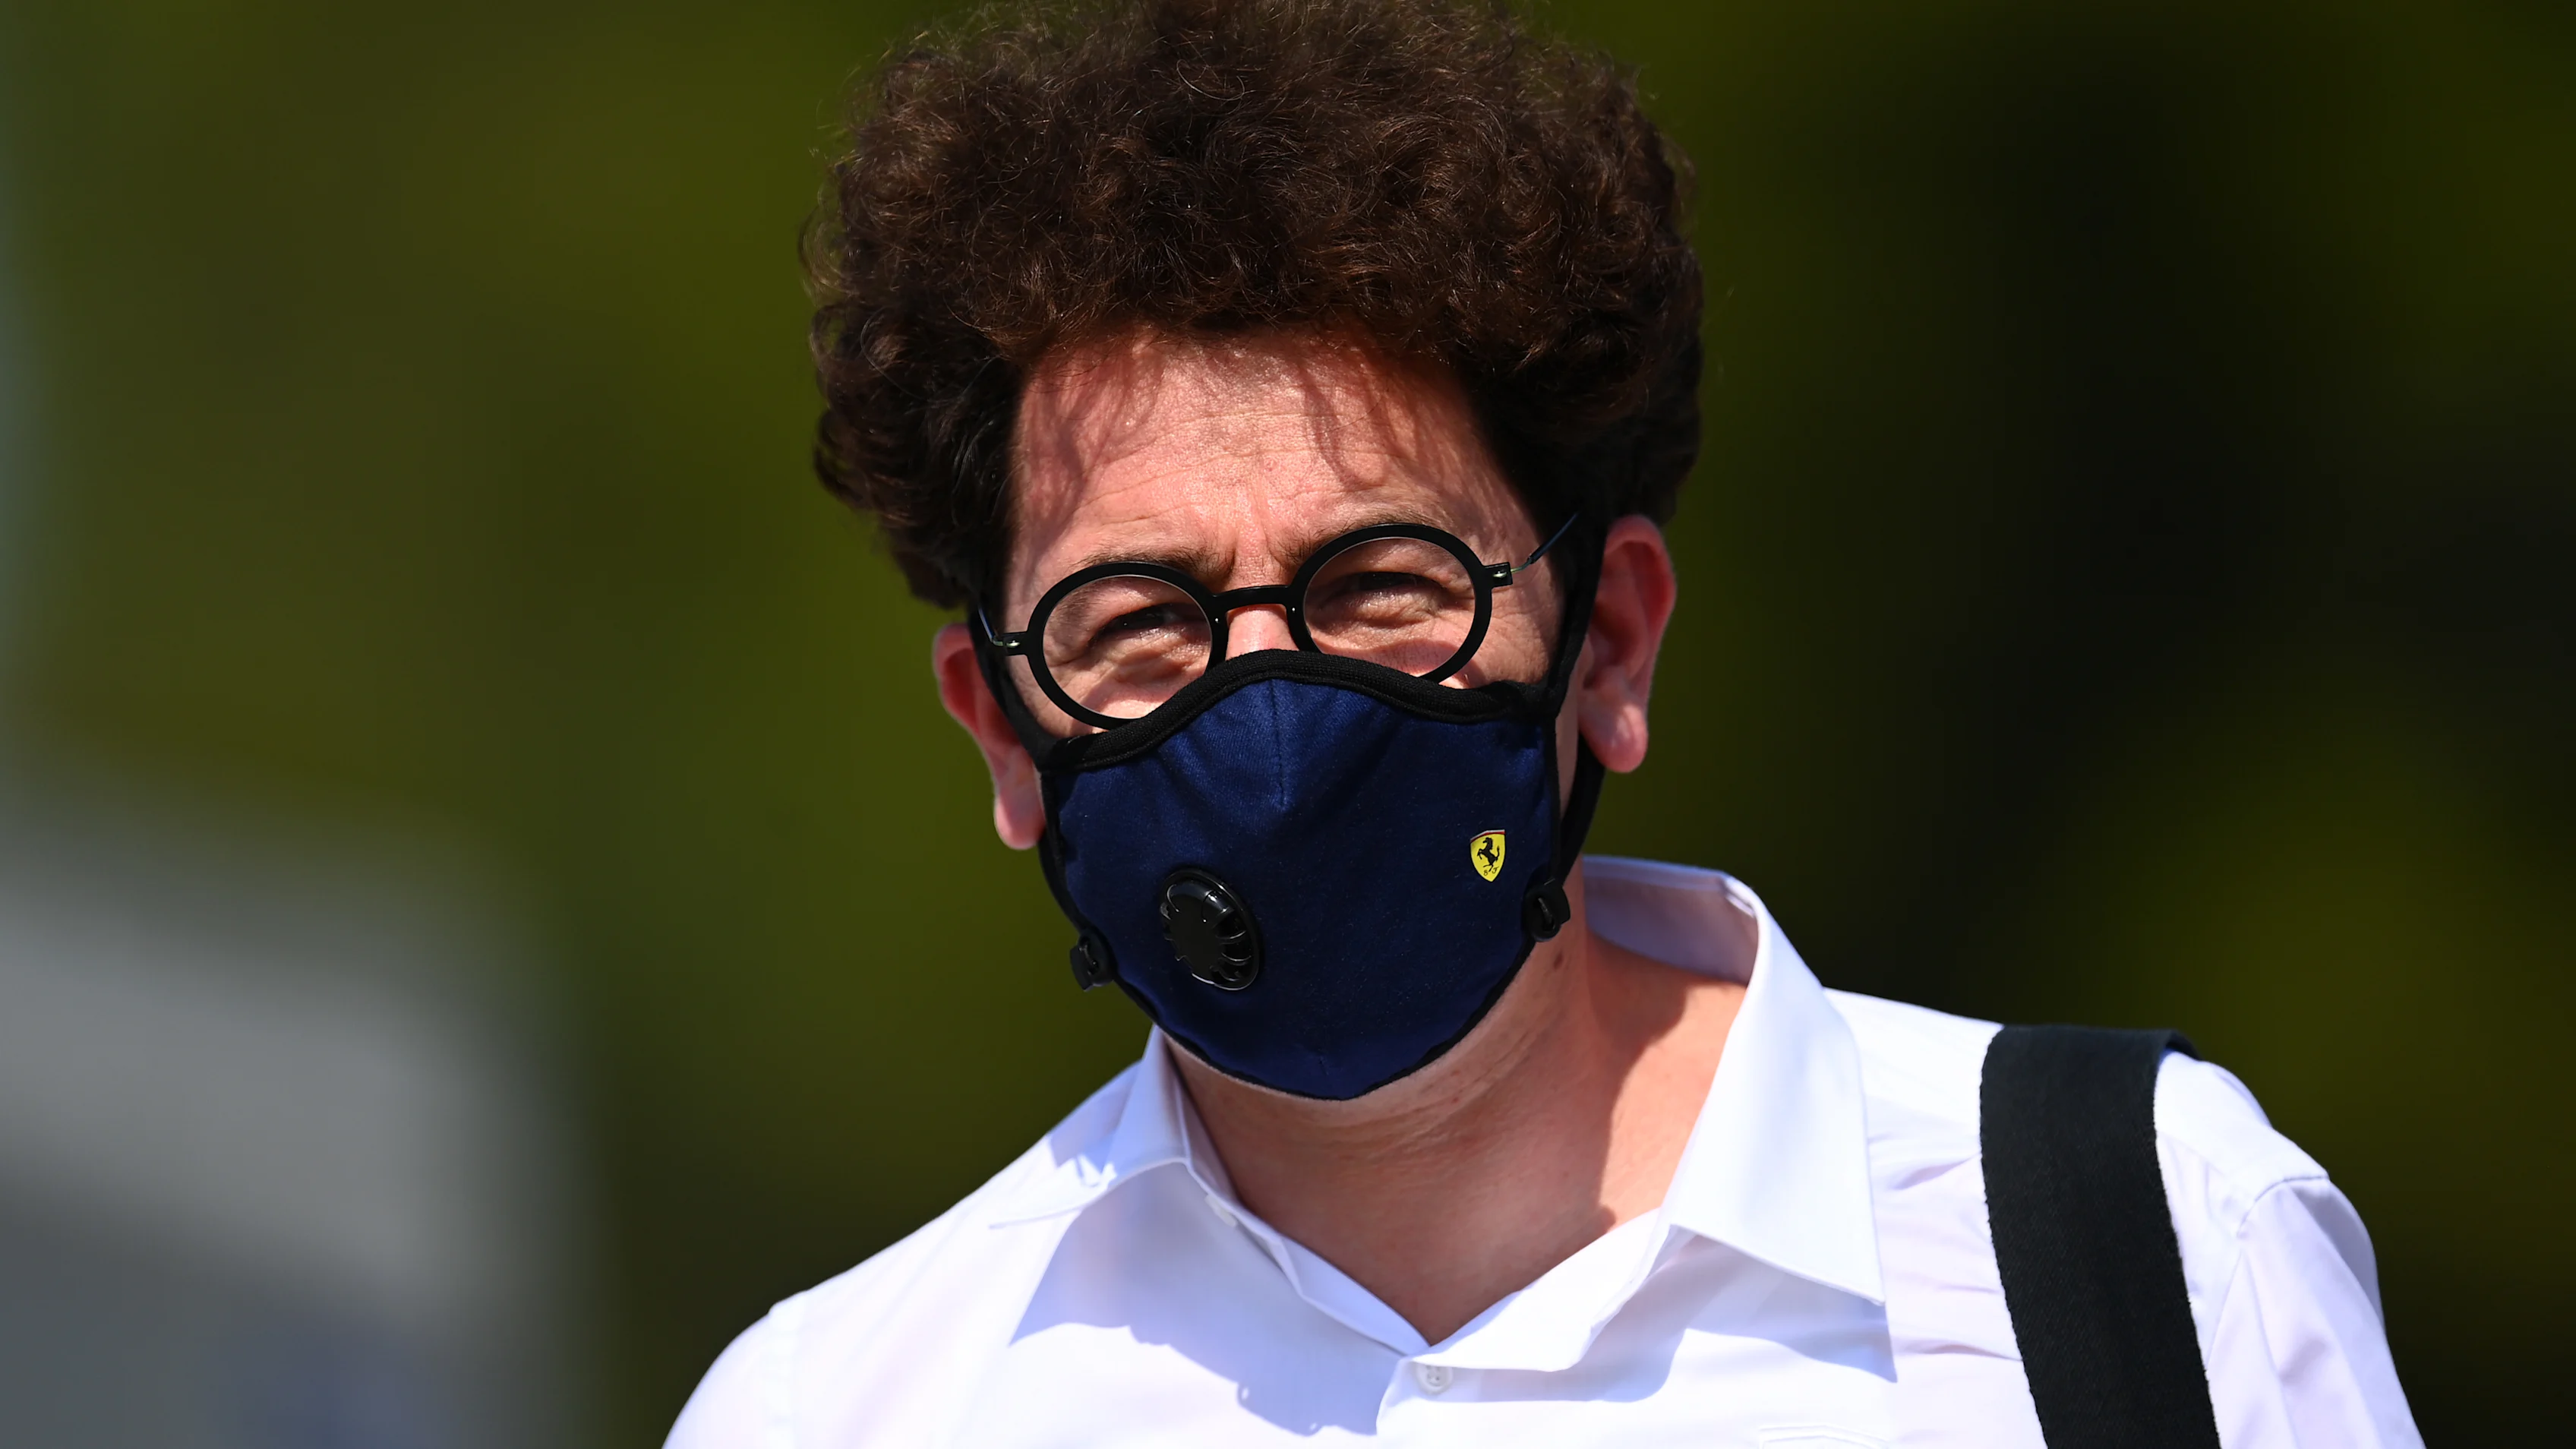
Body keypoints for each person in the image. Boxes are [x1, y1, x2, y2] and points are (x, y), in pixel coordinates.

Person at [668, 1, 2420, 1443]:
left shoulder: (2142, 1252)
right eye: (1141, 619)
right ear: (999, 728)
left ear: (1608, 645)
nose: (1268, 703)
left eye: (1381, 584)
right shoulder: (841, 1408)